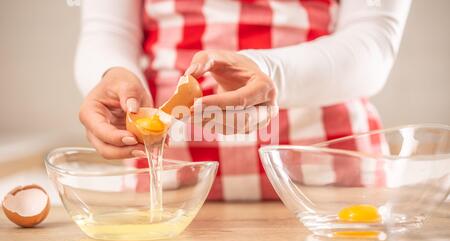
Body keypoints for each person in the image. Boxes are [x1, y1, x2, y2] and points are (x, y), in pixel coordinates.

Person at [75, 0, 411, 200]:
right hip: (164, 180)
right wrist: (111, 76)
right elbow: (107, 29)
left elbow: (373, 46)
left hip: (327, 181)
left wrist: (268, 71)